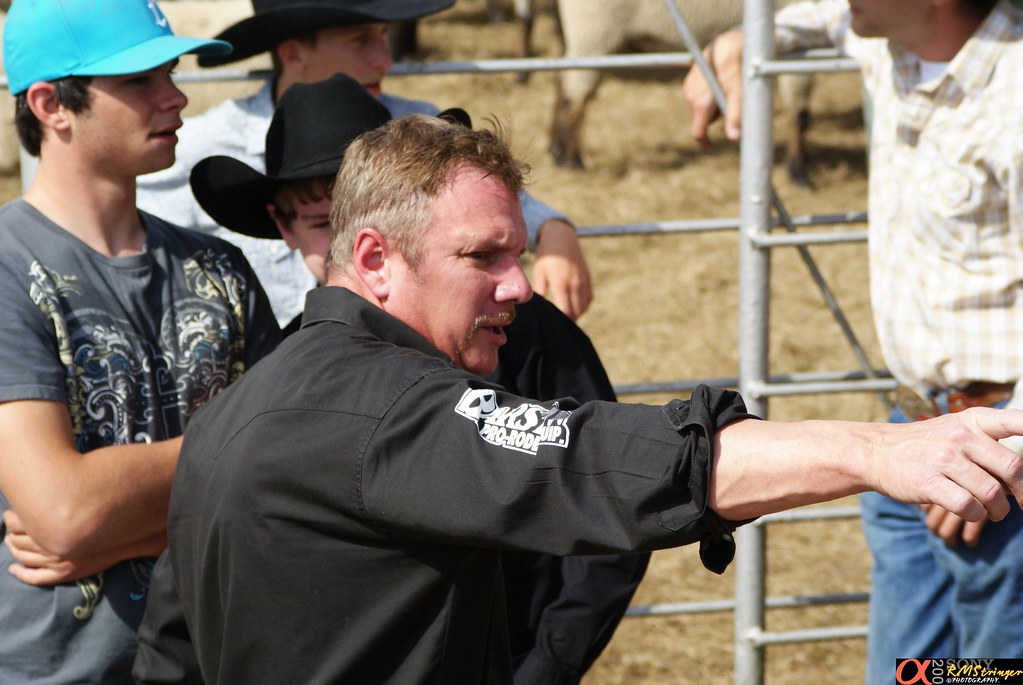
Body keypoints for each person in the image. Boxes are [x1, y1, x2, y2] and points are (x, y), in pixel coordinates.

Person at [145, 112, 1023, 684]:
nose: (518, 285)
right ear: (374, 257)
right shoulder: (393, 408)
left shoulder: (233, 412)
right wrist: (881, 450)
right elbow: (600, 458)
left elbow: (168, 653)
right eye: (481, 256)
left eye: (518, 251)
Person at [133, 73, 647, 685]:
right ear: (282, 224)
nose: (343, 241)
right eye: (324, 222)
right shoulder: (275, 368)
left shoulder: (522, 328)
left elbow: (602, 481)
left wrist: (546, 667)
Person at [681, 0, 1023, 681]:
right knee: (906, 670)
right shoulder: (891, 43)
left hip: (999, 450)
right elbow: (813, 19)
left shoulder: (1013, 98)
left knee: (994, 671)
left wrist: (1005, 450)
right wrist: (737, 41)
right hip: (913, 430)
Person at [0, 1, 281, 682]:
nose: (174, 97)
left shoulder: (220, 268)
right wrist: (233, 455)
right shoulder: (7, 268)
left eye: (170, 73)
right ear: (50, 105)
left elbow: (295, 474)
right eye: (138, 81)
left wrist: (117, 537)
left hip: (221, 660)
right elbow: (64, 510)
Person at [136, 0, 594, 327]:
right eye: (360, 40)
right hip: (276, 366)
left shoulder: (414, 128)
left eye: (382, 37)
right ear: (293, 53)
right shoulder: (203, 144)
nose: (385, 58)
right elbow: (145, 238)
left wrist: (553, 230)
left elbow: (478, 206)